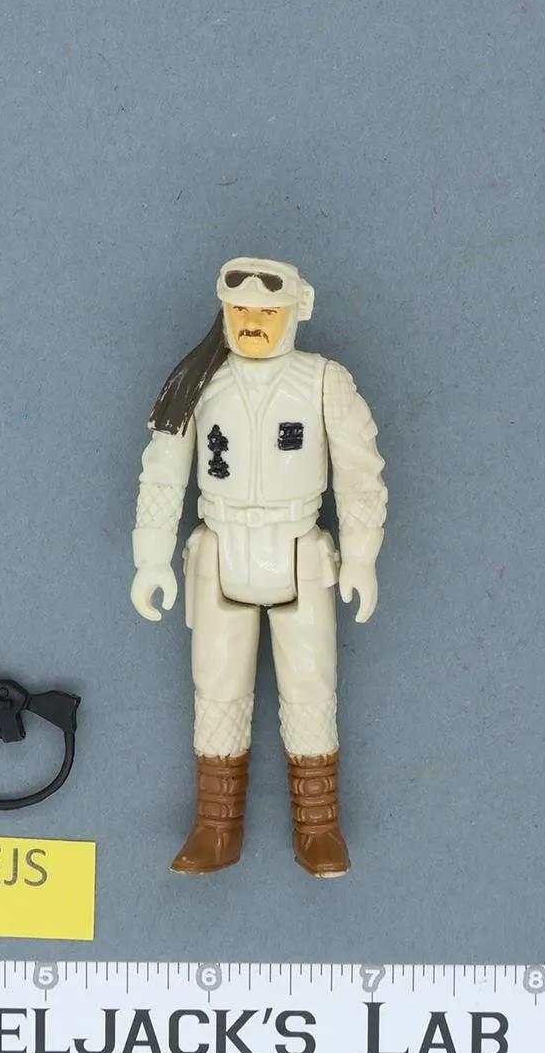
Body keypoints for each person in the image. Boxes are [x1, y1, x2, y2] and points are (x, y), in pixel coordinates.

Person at [131, 258, 387, 877]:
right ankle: (215, 828)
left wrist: (360, 555)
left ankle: (319, 827)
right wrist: (151, 558)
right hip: (220, 549)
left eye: (268, 311)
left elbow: (360, 473)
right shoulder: (197, 381)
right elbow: (162, 472)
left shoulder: (325, 382)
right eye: (240, 309)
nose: (253, 321)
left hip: (300, 549)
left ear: (298, 309)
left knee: (311, 687)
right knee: (217, 689)